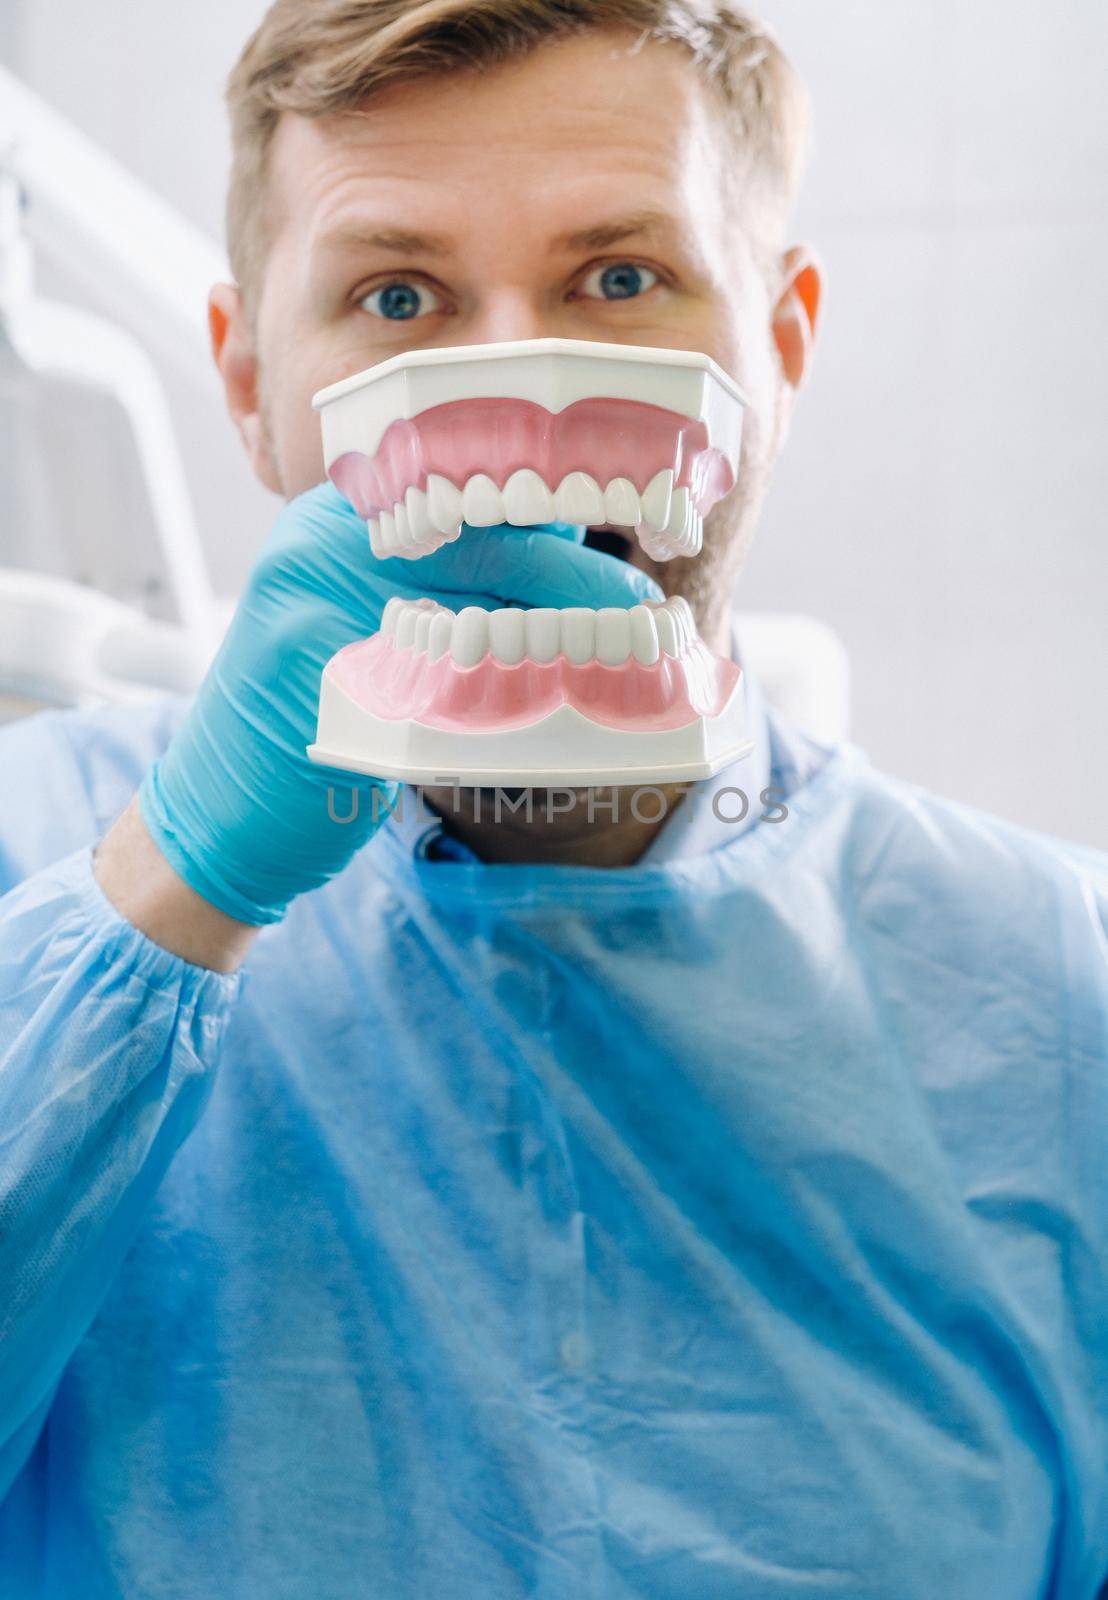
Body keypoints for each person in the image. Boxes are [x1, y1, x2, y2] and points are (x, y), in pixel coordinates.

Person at [1, 2, 1105, 1595]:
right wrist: (172, 887)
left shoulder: (1065, 998)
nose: (511, 379)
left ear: (779, 355)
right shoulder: (38, 856)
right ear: (250, 381)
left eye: (619, 278)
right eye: (398, 296)